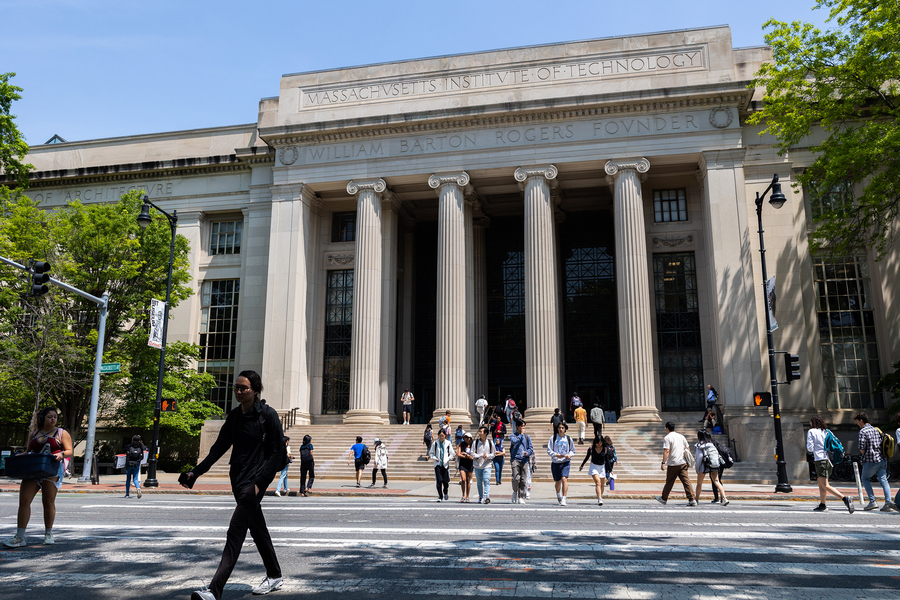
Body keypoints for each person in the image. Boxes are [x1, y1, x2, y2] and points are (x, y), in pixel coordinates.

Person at [184, 371, 284, 600]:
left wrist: (259, 484)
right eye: (236, 388)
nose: (239, 392)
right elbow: (218, 448)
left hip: (254, 484)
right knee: (258, 529)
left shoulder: (268, 415)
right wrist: (196, 472)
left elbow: (276, 454)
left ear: (255, 389)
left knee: (235, 533)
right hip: (237, 480)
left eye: (244, 388)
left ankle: (214, 590)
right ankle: (275, 575)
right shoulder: (235, 417)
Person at [3, 407, 73, 548]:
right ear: (42, 419)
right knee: (24, 501)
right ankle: (20, 537)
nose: (53, 419)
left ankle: (48, 533)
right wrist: (15, 457)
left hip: (50, 471)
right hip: (32, 470)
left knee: (48, 502)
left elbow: (69, 450)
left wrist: (61, 454)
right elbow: (29, 451)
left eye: (55, 417)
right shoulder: (35, 433)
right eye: (49, 417)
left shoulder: (61, 433)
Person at [806, 414, 854, 513]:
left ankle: (845, 498)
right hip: (828, 460)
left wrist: (813, 448)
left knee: (825, 484)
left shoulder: (811, 431)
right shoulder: (826, 431)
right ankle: (822, 505)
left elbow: (809, 448)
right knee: (821, 483)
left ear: (813, 422)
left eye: (810, 421)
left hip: (820, 460)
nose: (809, 423)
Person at [854, 411, 894, 511]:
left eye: (857, 422)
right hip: (882, 459)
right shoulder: (876, 429)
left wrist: (864, 453)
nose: (857, 424)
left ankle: (872, 502)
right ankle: (888, 503)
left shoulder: (863, 431)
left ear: (861, 420)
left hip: (871, 460)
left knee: (865, 479)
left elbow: (862, 448)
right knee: (884, 481)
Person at [654, 422, 697, 506]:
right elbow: (687, 448)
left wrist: (663, 462)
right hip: (682, 463)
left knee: (669, 482)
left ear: (667, 428)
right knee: (686, 481)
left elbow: (666, 451)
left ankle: (664, 498)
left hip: (673, 463)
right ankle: (692, 499)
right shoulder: (681, 436)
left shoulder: (667, 438)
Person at [693, 430, 728, 506]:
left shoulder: (699, 446)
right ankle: (724, 498)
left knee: (699, 483)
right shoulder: (712, 445)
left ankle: (696, 499)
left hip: (703, 466)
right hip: (713, 464)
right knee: (717, 481)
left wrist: (697, 468)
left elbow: (699, 457)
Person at [547, 421, 575, 506]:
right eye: (559, 428)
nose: (561, 429)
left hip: (565, 462)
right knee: (557, 482)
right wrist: (556, 455)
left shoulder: (569, 439)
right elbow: (549, 450)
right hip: (556, 462)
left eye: (562, 428)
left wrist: (569, 455)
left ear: (565, 429)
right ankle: (558, 494)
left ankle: (564, 498)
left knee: (564, 479)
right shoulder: (553, 438)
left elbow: (573, 450)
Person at [579, 435, 610, 506]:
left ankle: (600, 496)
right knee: (598, 482)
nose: (599, 444)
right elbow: (587, 457)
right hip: (594, 466)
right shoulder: (591, 449)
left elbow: (607, 460)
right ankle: (599, 499)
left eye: (600, 442)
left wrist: (610, 470)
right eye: (597, 443)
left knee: (602, 484)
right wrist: (582, 465)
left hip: (602, 467)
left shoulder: (605, 449)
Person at [509, 420, 533, 504]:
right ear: (517, 427)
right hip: (515, 459)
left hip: (524, 460)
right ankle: (515, 492)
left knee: (523, 480)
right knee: (516, 478)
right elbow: (514, 441)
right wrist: (521, 435)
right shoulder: (513, 436)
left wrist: (527, 453)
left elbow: (531, 448)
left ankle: (521, 496)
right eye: (522, 426)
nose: (523, 428)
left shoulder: (527, 437)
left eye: (524, 426)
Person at [428, 428, 453, 502]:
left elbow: (452, 453)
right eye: (440, 436)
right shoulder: (435, 443)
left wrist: (448, 458)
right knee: (439, 481)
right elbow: (431, 453)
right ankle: (440, 495)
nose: (441, 437)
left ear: (445, 435)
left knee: (445, 481)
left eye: (442, 435)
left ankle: (445, 492)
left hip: (445, 464)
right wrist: (434, 458)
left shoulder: (448, 443)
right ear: (438, 436)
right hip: (438, 464)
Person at [472, 426, 495, 503]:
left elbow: (493, 454)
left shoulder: (490, 443)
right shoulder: (475, 442)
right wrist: (480, 455)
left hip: (487, 464)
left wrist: (487, 456)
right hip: (477, 464)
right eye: (479, 431)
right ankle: (480, 496)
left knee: (486, 480)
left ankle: (486, 497)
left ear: (485, 433)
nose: (479, 433)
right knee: (479, 482)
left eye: (481, 432)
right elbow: (472, 453)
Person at [123, 434, 147, 499]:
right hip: (136, 464)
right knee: (135, 479)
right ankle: (138, 488)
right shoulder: (141, 447)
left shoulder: (128, 446)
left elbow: (123, 452)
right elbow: (142, 457)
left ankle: (127, 494)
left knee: (128, 479)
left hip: (129, 464)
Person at [456, 431, 475, 502]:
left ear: (470, 438)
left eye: (467, 437)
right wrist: (465, 455)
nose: (466, 439)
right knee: (463, 479)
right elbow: (459, 453)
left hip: (470, 463)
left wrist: (469, 456)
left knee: (468, 480)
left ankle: (467, 496)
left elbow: (474, 456)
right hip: (462, 463)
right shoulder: (462, 444)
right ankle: (463, 495)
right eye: (465, 437)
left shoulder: (473, 445)